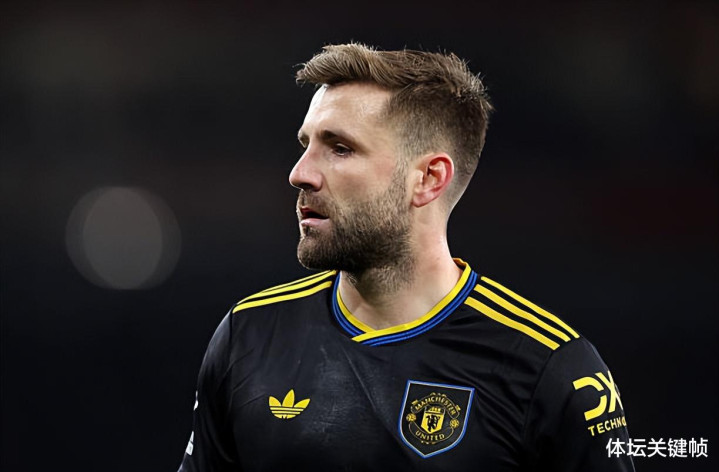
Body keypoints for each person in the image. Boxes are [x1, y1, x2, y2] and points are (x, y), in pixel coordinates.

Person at [178, 43, 635, 471]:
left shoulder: (549, 369)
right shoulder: (249, 334)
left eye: (340, 148)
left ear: (429, 179)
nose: (300, 174)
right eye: (306, 145)